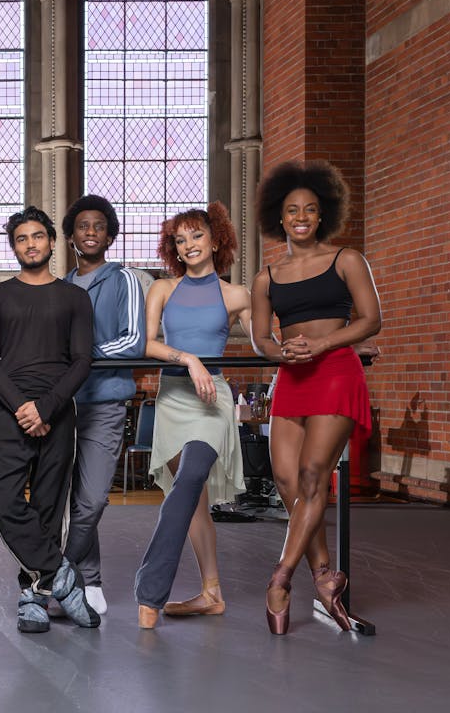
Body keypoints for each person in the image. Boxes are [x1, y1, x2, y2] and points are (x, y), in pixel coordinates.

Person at [252, 161, 380, 635]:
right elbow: (260, 337)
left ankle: (280, 579)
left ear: (322, 214)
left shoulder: (347, 259)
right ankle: (326, 578)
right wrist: (280, 352)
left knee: (312, 476)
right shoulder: (267, 276)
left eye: (309, 209)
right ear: (279, 217)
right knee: (287, 481)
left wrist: (323, 344)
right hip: (292, 377)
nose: (301, 217)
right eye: (292, 210)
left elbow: (370, 319)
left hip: (335, 373)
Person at [0, 206, 99, 634]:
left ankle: (34, 599)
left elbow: (82, 360)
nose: (30, 244)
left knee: (49, 508)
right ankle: (61, 576)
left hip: (59, 411)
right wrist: (23, 408)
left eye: (37, 236)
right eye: (21, 239)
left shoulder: (74, 298)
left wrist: (46, 407)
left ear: (51, 241)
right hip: (10, 412)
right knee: (7, 504)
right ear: (14, 247)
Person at [133, 202, 251, 630]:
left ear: (216, 240)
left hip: (211, 400)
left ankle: (150, 590)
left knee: (188, 482)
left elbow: (268, 343)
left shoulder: (237, 295)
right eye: (180, 240)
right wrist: (188, 358)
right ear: (174, 250)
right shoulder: (162, 290)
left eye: (197, 235)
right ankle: (212, 592)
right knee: (191, 497)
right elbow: (146, 343)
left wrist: (336, 344)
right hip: (174, 398)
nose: (189, 245)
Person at [60, 194, 146, 616]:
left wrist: (83, 357)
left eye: (99, 226)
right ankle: (88, 579)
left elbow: (134, 341)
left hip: (105, 404)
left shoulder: (124, 279)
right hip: (63, 406)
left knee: (93, 498)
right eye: (82, 226)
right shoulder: (61, 287)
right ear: (71, 237)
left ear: (110, 236)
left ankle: (56, 575)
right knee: (72, 499)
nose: (90, 232)